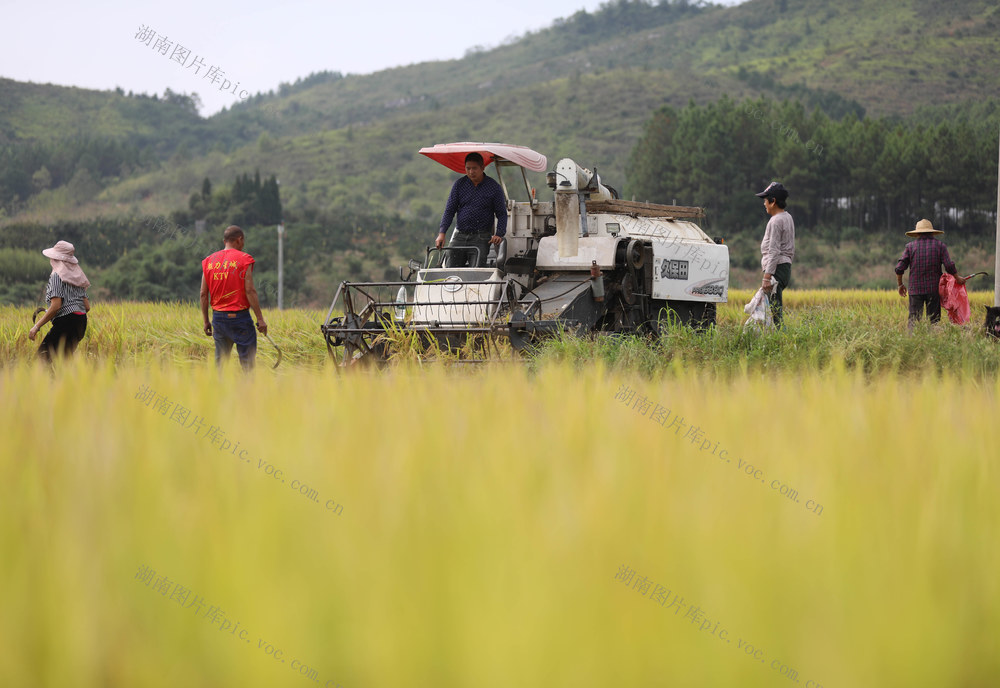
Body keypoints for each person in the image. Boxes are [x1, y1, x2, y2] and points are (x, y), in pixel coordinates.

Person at [200, 225, 267, 370]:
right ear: (239, 239)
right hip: (240, 319)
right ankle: (248, 391)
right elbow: (250, 291)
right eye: (243, 241)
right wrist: (260, 319)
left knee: (221, 365)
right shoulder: (244, 259)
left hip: (218, 319)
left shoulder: (209, 261)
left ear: (224, 241)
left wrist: (206, 321)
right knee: (248, 365)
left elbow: (203, 295)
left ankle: (219, 391)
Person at [434, 152, 507, 267]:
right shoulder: (459, 185)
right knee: (450, 270)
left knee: (476, 271)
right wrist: (442, 233)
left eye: (474, 168)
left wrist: (499, 233)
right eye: (468, 168)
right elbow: (449, 211)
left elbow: (502, 214)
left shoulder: (494, 187)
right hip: (460, 235)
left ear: (482, 168)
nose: (471, 172)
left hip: (481, 237)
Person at [895, 219, 965, 329]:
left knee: (914, 320)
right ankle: (933, 342)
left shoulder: (910, 247)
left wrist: (900, 285)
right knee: (933, 321)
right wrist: (957, 278)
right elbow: (949, 266)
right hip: (934, 290)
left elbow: (899, 268)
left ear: (917, 233)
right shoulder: (940, 246)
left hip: (915, 289)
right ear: (932, 232)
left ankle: (913, 342)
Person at [28, 240, 91, 361]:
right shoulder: (78, 278)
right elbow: (86, 307)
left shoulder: (56, 276)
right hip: (81, 323)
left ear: (55, 259)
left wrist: (36, 327)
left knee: (41, 362)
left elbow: (56, 306)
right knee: (62, 363)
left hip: (66, 324)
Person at [755, 181, 795, 328]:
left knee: (775, 312)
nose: (764, 203)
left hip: (776, 269)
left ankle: (782, 340)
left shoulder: (776, 221)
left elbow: (774, 250)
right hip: (784, 268)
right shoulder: (787, 217)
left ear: (773, 202)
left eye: (766, 200)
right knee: (774, 309)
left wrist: (767, 277)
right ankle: (776, 337)